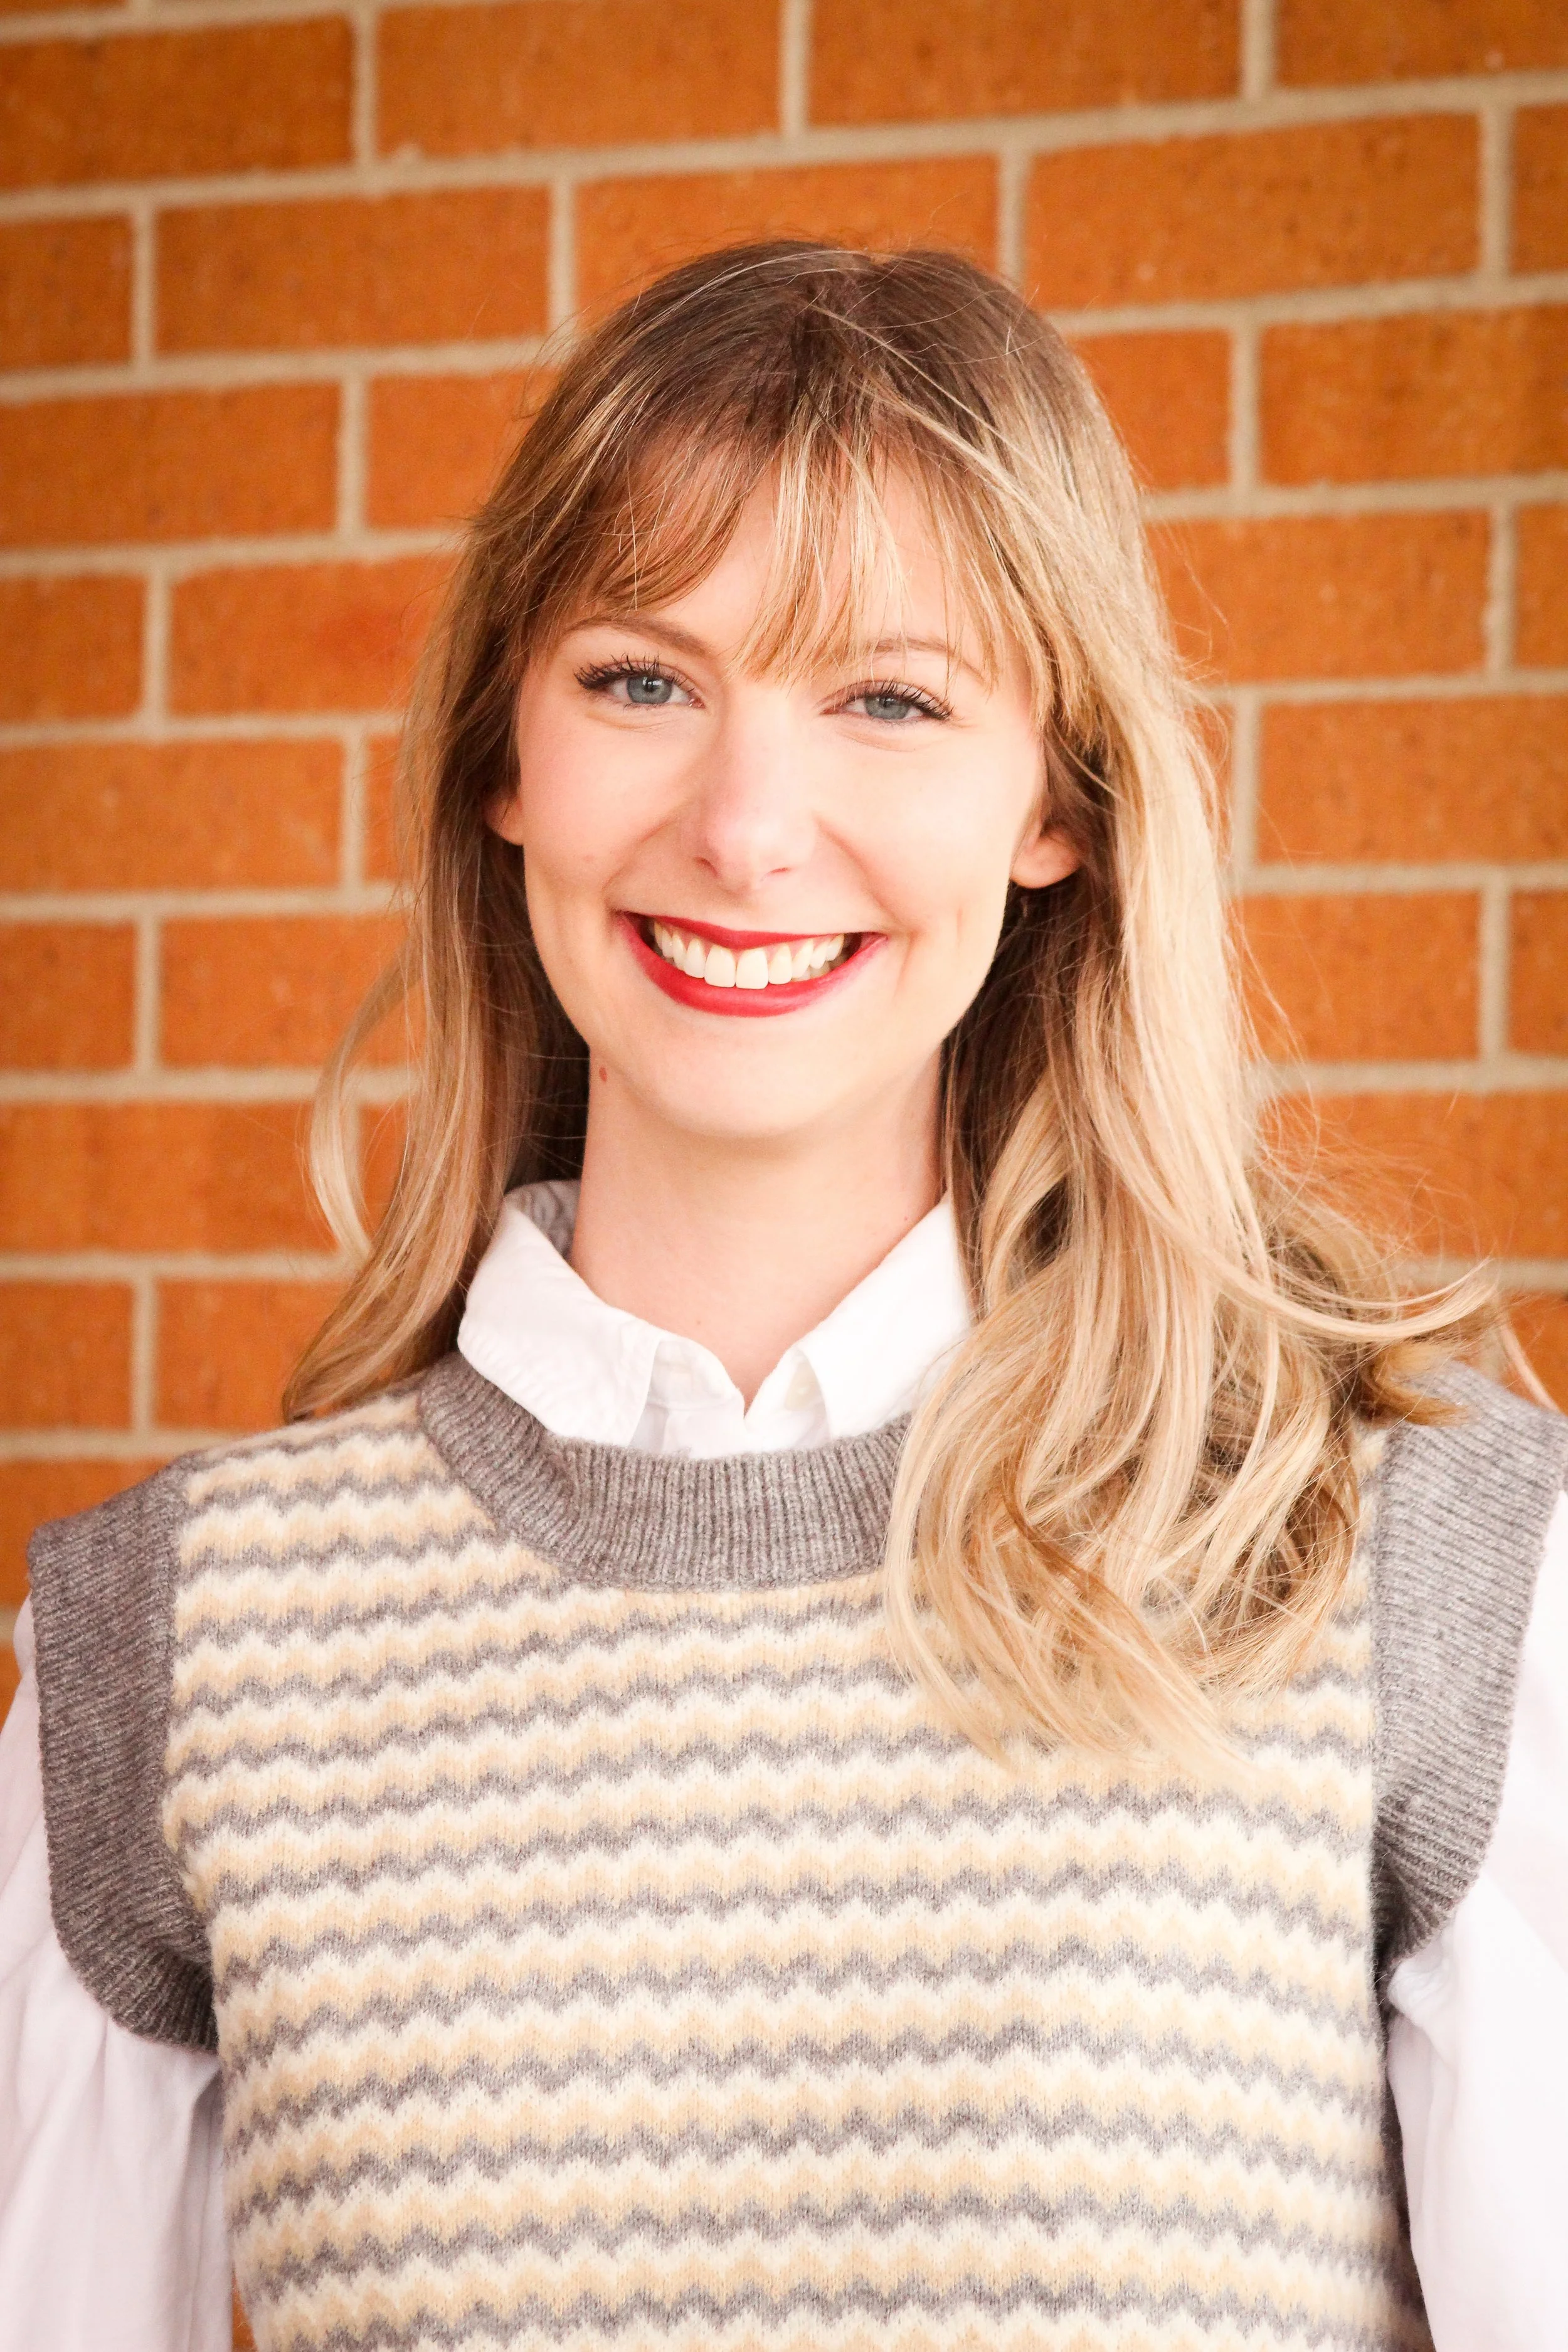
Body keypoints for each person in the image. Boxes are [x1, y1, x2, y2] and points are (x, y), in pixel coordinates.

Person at [1, 241, 1564, 2351]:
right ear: (504, 761)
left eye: (890, 701)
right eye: (640, 678)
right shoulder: (170, 1653)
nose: (745, 827)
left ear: (1059, 808)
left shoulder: (1405, 1552)